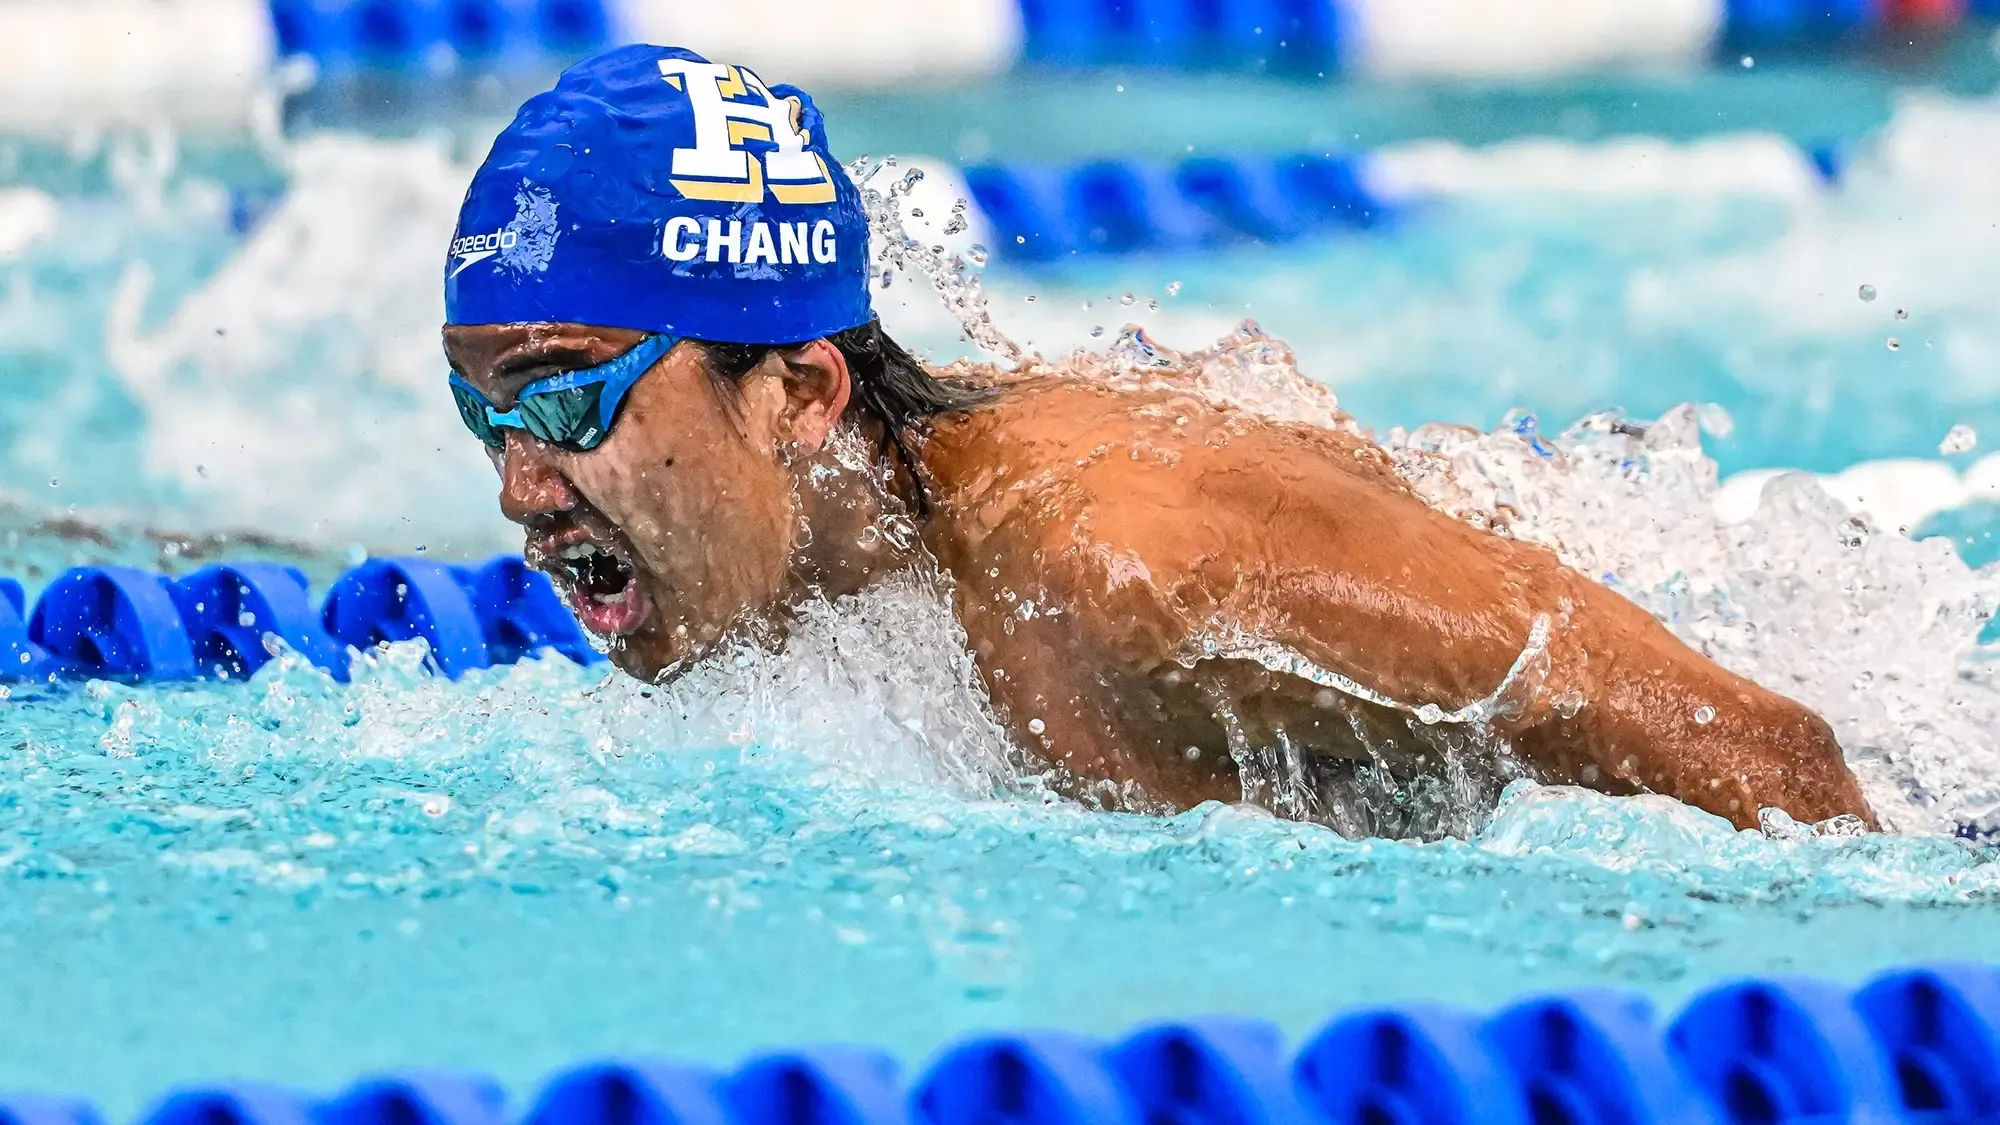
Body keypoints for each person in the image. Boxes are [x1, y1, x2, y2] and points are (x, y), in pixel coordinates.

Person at [442, 44, 1875, 834]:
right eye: (483, 404)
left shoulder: (1124, 562)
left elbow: (1769, 752)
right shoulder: (830, 595)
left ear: (804, 395)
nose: (519, 485)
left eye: (567, 392)